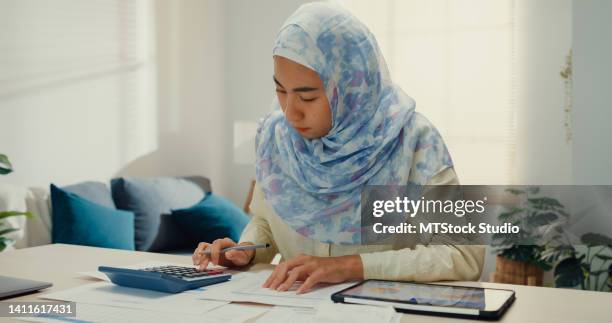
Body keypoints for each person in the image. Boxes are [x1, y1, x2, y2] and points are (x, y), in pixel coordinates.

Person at [193, 2, 484, 294]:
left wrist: (349, 266)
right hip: (298, 309)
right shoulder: (276, 138)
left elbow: (463, 255)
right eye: (281, 91)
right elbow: (268, 221)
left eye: (307, 97)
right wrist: (246, 250)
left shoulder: (414, 142)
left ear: (351, 89)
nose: (291, 112)